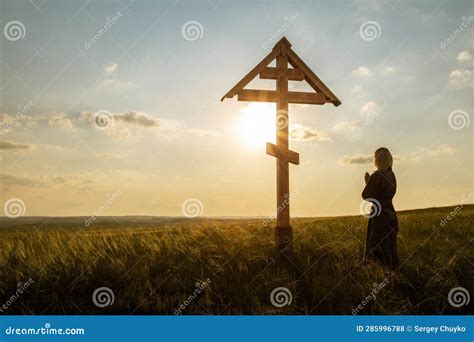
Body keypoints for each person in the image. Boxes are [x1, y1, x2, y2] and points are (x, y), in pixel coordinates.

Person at [362, 147, 399, 270]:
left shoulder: (377, 176)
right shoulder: (392, 174)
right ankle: (394, 274)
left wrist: (368, 182)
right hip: (391, 213)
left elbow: (367, 196)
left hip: (379, 214)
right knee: (390, 246)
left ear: (377, 160)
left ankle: (378, 276)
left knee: (377, 246)